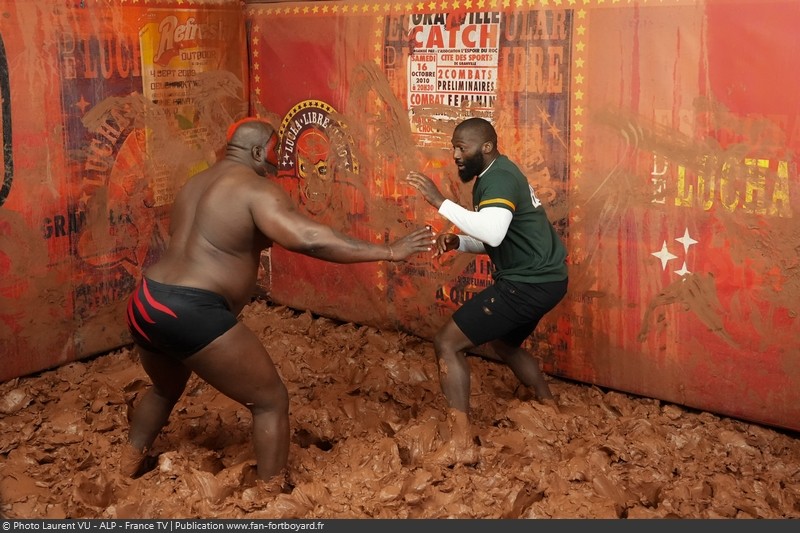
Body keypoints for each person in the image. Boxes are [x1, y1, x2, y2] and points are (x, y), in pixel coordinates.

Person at [122, 117, 434, 485]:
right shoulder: (255, 190)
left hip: (146, 301)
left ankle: (125, 464)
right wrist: (390, 251)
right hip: (191, 309)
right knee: (270, 401)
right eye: (273, 156)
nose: (276, 167)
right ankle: (271, 498)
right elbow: (308, 238)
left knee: (164, 388)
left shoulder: (195, 184)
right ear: (256, 152)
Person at [405, 117, 568, 467]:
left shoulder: (499, 178)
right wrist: (460, 241)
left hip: (528, 283)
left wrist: (439, 201)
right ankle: (549, 408)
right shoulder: (495, 175)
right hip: (548, 279)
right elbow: (502, 236)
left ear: (487, 146)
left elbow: (493, 234)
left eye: (462, 147)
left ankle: (461, 443)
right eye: (453, 148)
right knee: (505, 343)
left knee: (447, 343)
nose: (455, 155)